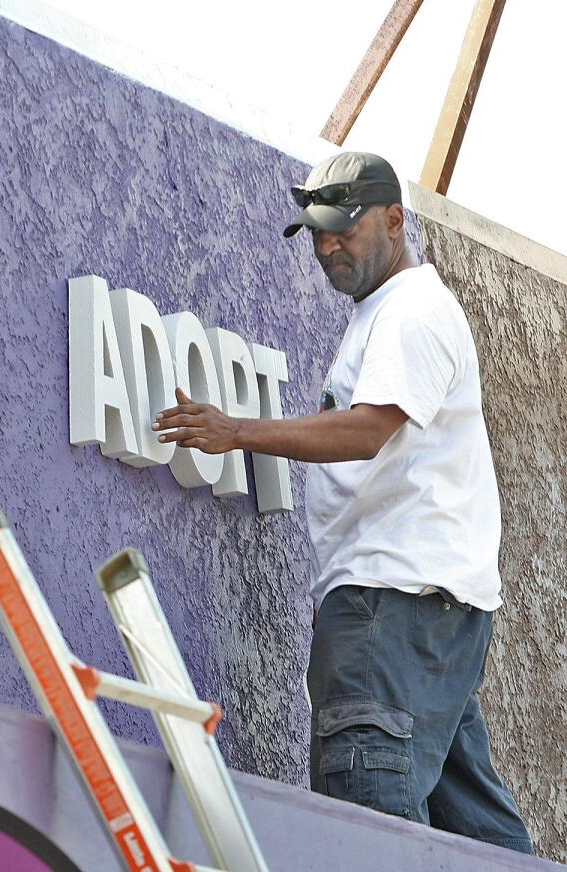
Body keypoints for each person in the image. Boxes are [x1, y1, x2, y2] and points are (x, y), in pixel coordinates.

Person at [152, 152, 534, 854]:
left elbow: (368, 429)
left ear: (394, 220)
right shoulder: (390, 313)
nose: (328, 247)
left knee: (366, 833)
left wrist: (235, 431)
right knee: (479, 841)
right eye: (318, 235)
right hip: (431, 617)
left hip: (387, 608)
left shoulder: (409, 312)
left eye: (344, 231)